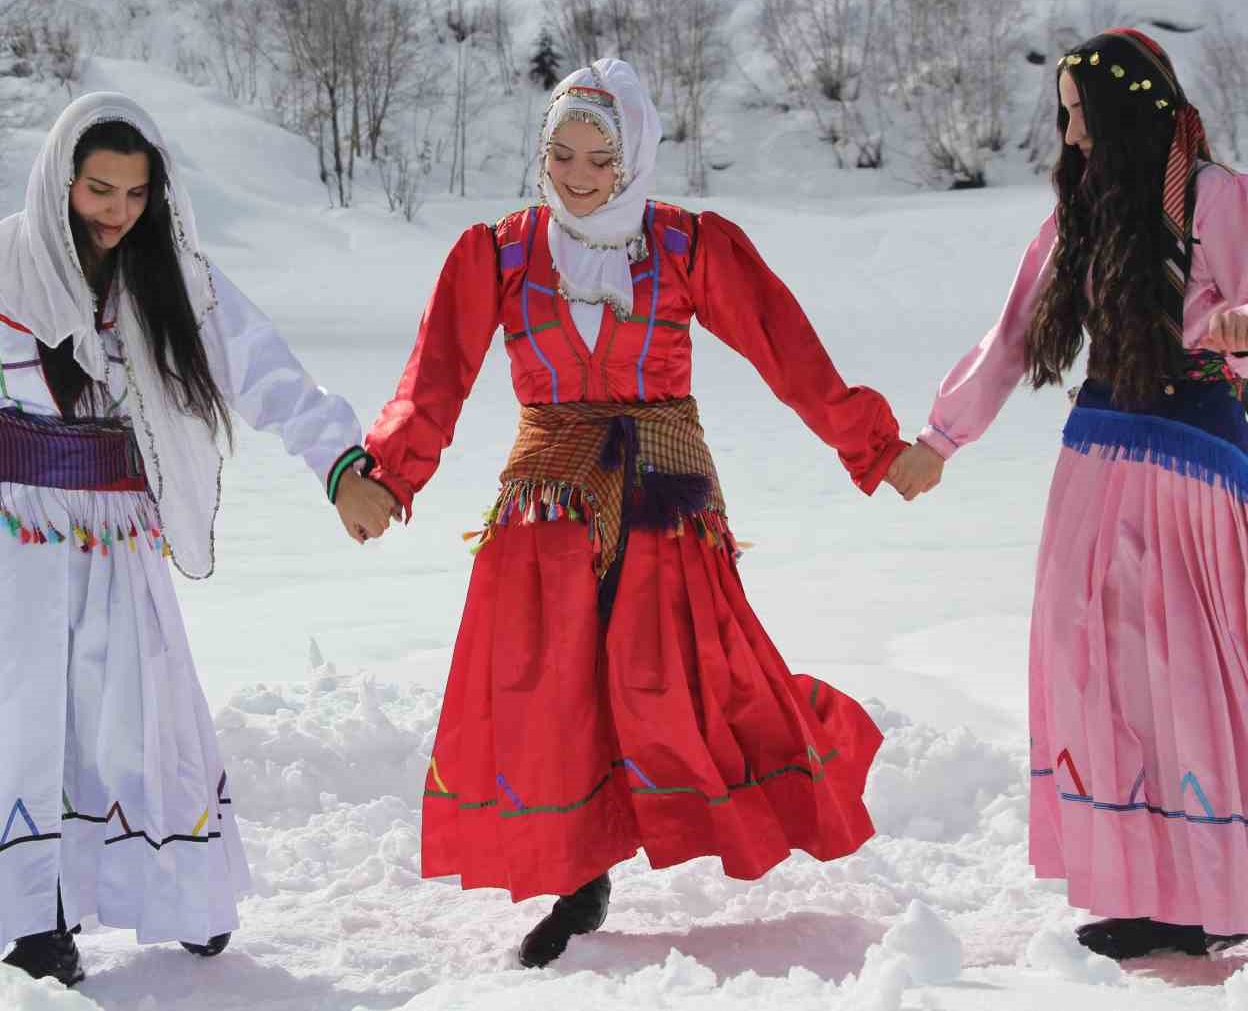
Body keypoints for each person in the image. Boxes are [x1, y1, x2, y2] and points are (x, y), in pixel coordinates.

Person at [0, 92, 395, 992]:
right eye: (98, 189)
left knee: (135, 716)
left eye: (135, 195)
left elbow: (263, 366)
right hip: (0, 534)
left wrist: (339, 465)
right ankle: (31, 922)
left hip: (110, 528)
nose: (116, 213)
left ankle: (172, 884)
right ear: (59, 181)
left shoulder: (167, 278)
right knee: (19, 726)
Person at [362, 59, 903, 968]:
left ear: (637, 158)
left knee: (692, 682)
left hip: (664, 492)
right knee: (554, 690)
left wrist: (872, 445)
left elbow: (787, 352)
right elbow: (435, 378)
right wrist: (388, 475)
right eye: (561, 153)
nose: (577, 175)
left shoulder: (690, 247)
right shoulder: (495, 252)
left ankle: (776, 781)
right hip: (548, 497)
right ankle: (580, 879)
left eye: (599, 158)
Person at [886, 29, 1248, 959]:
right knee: (1105, 665)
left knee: (1200, 669)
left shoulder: (1219, 199)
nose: (1074, 136)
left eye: (1084, 115)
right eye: (1066, 118)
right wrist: (940, 439)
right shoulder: (1080, 215)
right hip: (1099, 462)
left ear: (1131, 109)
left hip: (1195, 464)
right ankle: (1156, 886)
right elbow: (1010, 336)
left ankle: (1227, 882)